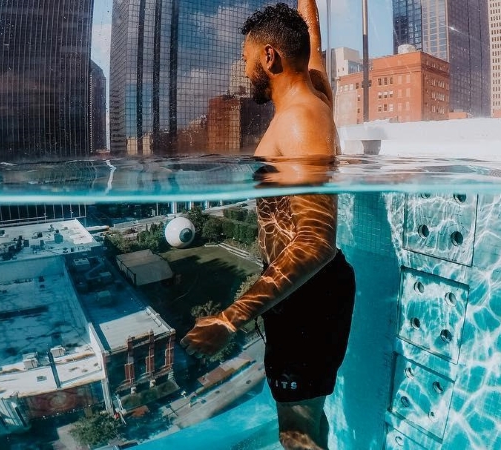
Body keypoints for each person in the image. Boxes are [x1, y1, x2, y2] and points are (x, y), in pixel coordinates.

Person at [179, 2, 355, 449]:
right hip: (307, 294)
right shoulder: (316, 95)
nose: (245, 70)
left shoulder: (299, 121)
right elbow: (312, 44)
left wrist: (231, 318)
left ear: (270, 57)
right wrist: (308, 13)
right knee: (308, 421)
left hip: (308, 299)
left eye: (246, 60)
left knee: (295, 434)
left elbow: (316, 242)